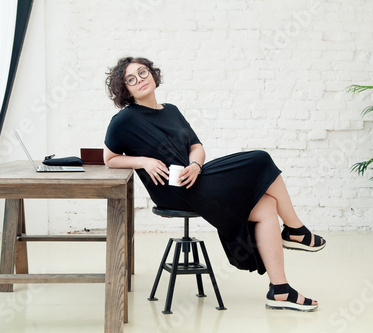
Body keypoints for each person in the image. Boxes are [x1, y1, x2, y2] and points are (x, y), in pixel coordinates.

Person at [103, 56, 326, 312]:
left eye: (142, 73)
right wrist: (144, 162)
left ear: (152, 74)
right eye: (131, 79)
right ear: (126, 89)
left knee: (267, 205)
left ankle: (280, 290)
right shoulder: (124, 120)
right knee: (261, 159)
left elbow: (196, 146)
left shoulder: (172, 110)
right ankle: (296, 230)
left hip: (195, 179)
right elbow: (109, 159)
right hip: (171, 190)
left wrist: (196, 166)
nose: (140, 80)